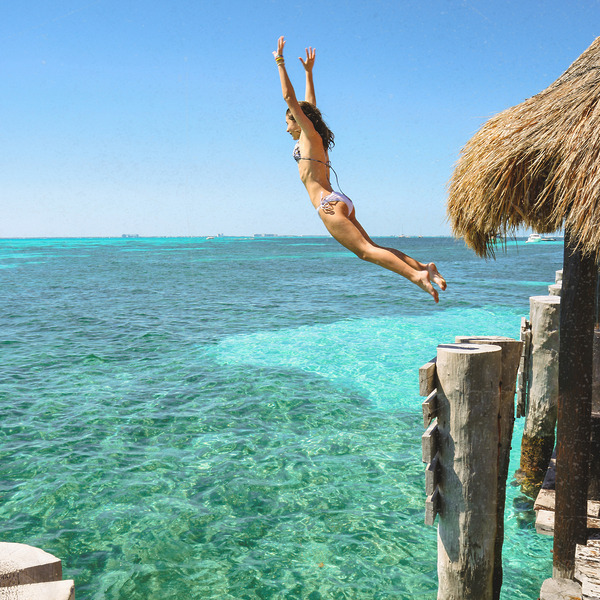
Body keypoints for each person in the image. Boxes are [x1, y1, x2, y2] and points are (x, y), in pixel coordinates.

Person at [273, 36, 447, 303]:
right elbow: (311, 107)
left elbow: (290, 98)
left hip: (328, 204)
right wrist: (309, 74)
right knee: (373, 247)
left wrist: (280, 62)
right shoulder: (312, 137)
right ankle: (423, 267)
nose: (287, 127)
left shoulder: (309, 137)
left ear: (299, 122)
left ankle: (416, 277)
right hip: (340, 200)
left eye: (289, 122)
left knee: (365, 251)